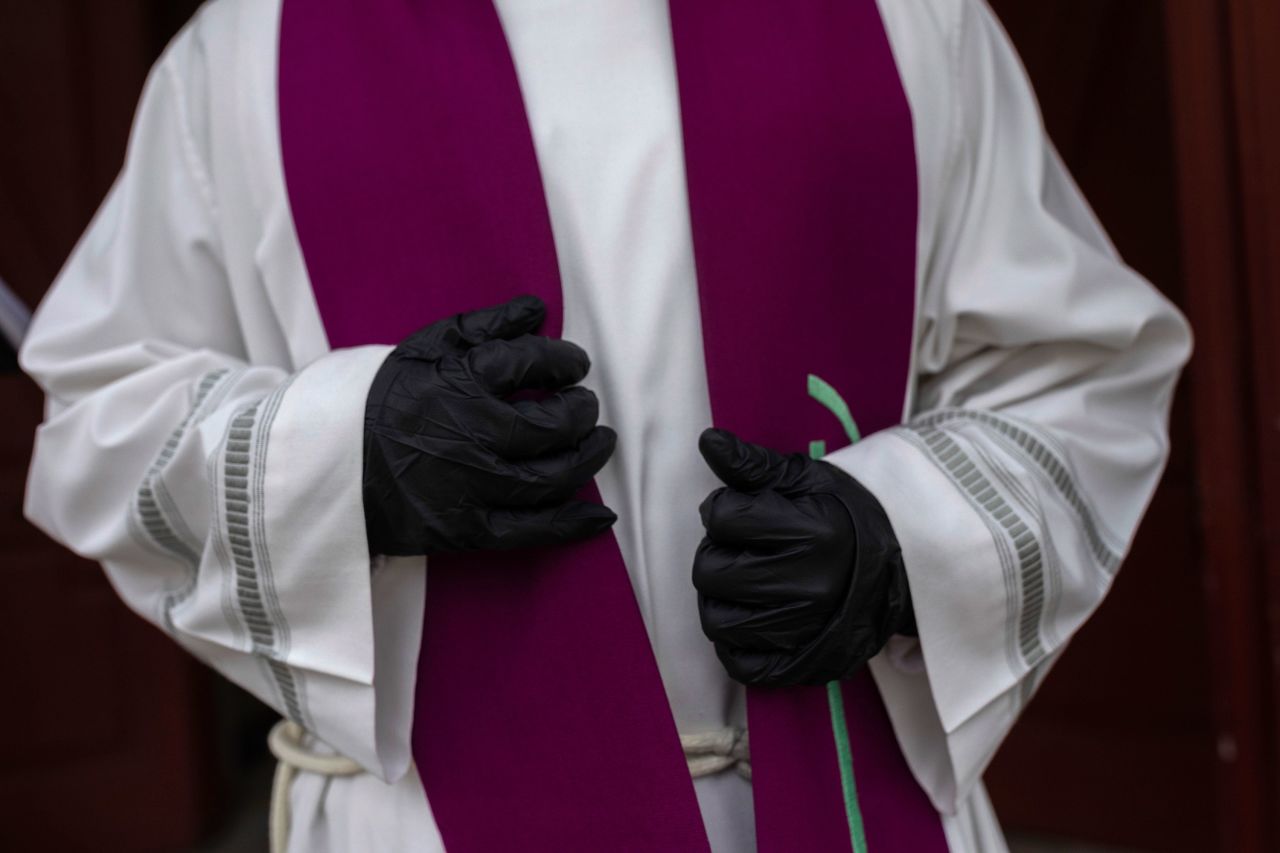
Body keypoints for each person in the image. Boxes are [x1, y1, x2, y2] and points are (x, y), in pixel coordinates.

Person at [21, 0, 1190, 850]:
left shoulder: (908, 22)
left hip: (845, 792)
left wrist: (901, 544)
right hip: (421, 819)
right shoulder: (251, 47)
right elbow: (104, 414)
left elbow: (1076, 368)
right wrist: (349, 457)